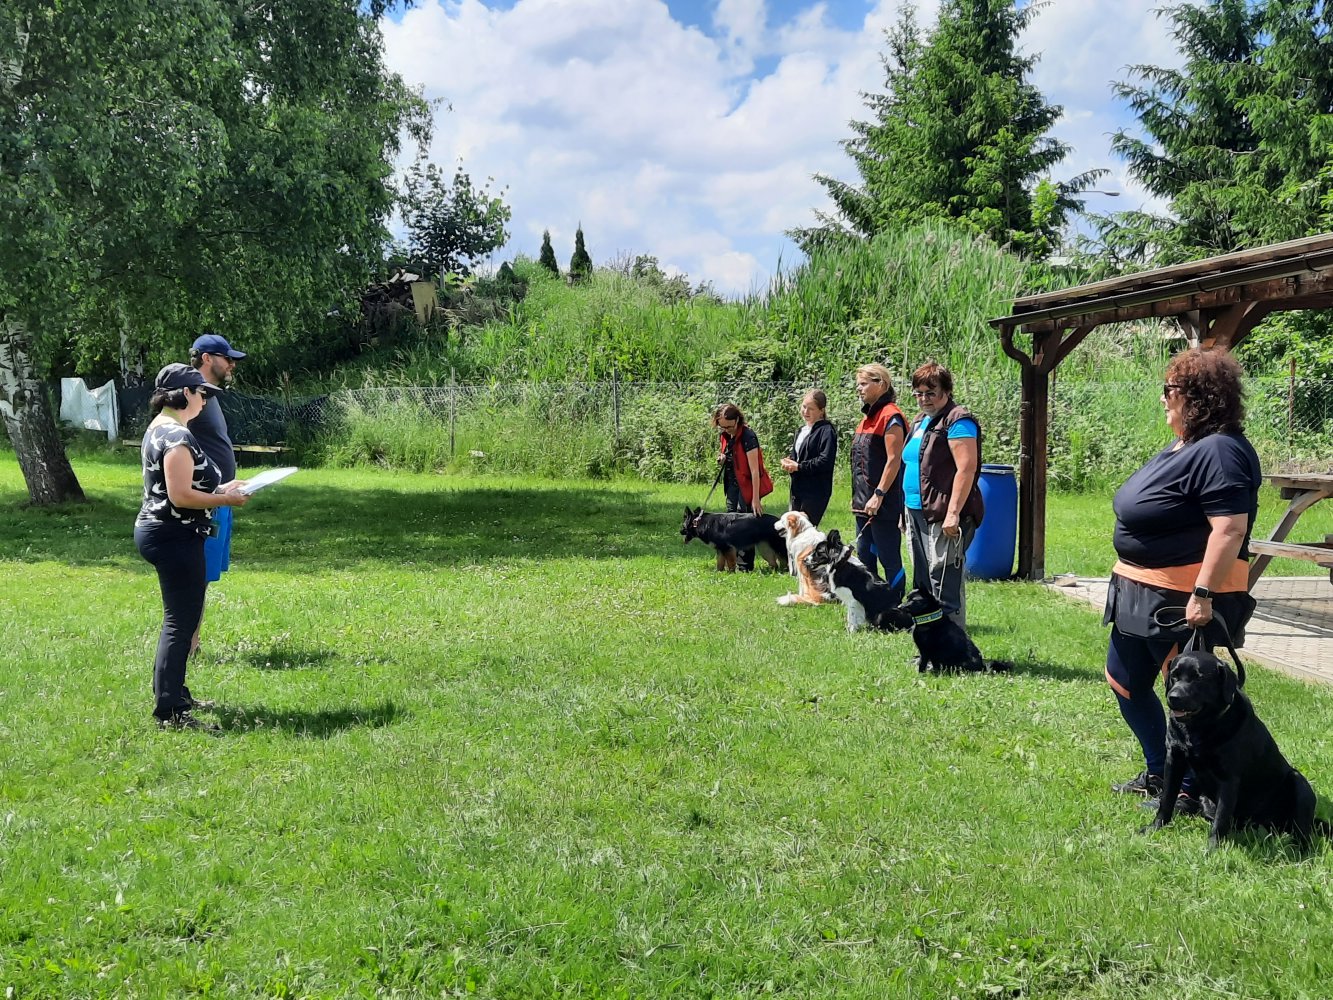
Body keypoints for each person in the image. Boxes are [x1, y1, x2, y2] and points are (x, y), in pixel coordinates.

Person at [1104, 348, 1261, 812]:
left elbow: (1230, 528)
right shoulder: (1189, 444)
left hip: (1178, 599)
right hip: (1138, 589)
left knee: (1188, 696)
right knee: (1124, 681)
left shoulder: (1221, 450)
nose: (1163, 398)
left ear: (1198, 397)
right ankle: (1161, 770)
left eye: (1169, 389)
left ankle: (1191, 788)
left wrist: (1202, 594)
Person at [135, 364, 249, 730]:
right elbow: (180, 495)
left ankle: (176, 695)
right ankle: (170, 712)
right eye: (202, 394)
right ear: (185, 394)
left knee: (179, 621)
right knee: (179, 625)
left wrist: (223, 489)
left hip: (166, 532)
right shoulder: (177, 436)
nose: (205, 401)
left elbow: (185, 485)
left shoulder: (160, 428)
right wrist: (226, 500)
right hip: (174, 535)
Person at [902, 362, 983, 627]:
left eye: (930, 392)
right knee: (923, 577)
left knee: (944, 577)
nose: (924, 399)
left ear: (946, 391)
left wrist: (953, 513)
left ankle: (952, 639)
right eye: (918, 393)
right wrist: (903, 511)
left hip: (943, 512)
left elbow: (966, 469)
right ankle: (928, 633)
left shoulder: (958, 420)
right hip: (915, 510)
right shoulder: (920, 421)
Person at [187, 331, 247, 656]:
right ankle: (187, 646)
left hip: (221, 497)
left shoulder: (207, 394)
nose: (232, 365)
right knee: (195, 575)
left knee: (205, 576)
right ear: (207, 358)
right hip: (206, 501)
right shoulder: (190, 394)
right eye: (228, 359)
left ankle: (192, 642)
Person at [850, 363, 907, 599]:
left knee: (888, 556)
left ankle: (896, 604)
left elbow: (894, 460)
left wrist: (879, 494)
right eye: (858, 384)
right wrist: (859, 497)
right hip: (863, 502)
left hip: (883, 501)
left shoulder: (891, 417)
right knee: (865, 555)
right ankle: (873, 602)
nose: (859, 389)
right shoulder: (866, 419)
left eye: (864, 384)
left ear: (881, 384)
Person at [713, 403, 774, 571]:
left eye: (729, 426)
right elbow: (729, 455)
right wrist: (722, 458)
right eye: (722, 427)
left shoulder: (748, 437)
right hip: (731, 485)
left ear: (737, 420)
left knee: (744, 524)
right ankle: (732, 563)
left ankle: (745, 565)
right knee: (731, 522)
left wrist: (755, 499)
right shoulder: (726, 435)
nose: (726, 430)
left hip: (747, 485)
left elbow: (755, 471)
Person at [779, 390, 837, 527]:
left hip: (815, 490)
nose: (805, 411)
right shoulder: (801, 430)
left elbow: (825, 461)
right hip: (797, 487)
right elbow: (798, 456)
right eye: (804, 406)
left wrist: (799, 467)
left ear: (821, 411)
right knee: (793, 529)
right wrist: (789, 462)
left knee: (805, 528)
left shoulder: (827, 431)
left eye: (811, 409)